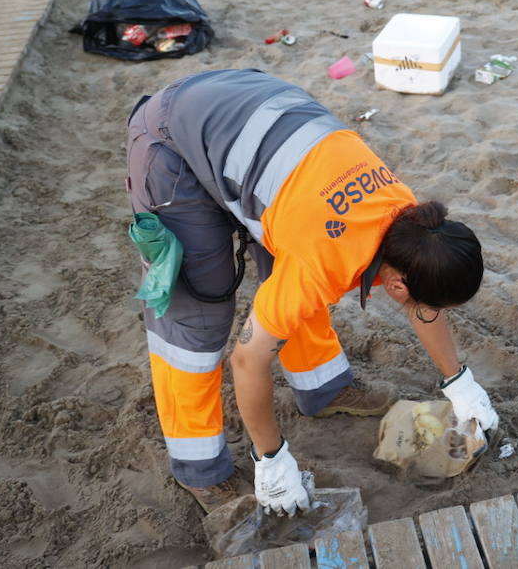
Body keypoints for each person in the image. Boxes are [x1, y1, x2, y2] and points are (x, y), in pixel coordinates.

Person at [125, 70, 498, 516]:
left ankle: (323, 388)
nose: (431, 311)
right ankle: (199, 469)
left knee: (290, 278)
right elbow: (247, 360)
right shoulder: (322, 260)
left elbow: (421, 301)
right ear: (398, 285)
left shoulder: (412, 223)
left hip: (248, 118)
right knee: (196, 316)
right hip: (173, 141)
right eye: (430, 304)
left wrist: (460, 383)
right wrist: (272, 459)